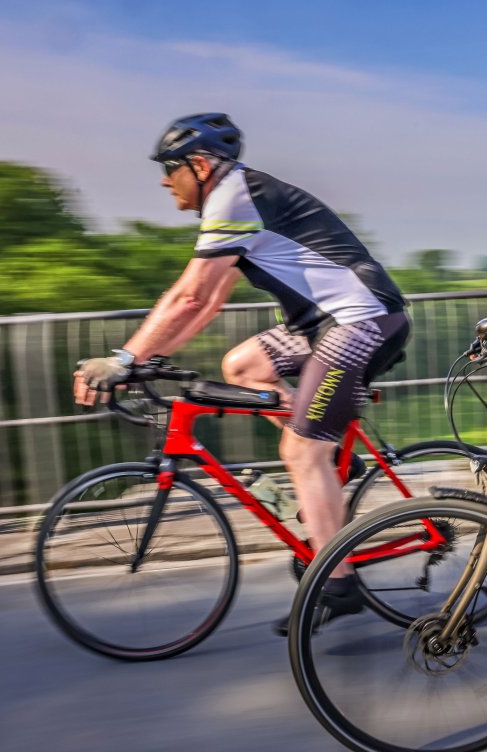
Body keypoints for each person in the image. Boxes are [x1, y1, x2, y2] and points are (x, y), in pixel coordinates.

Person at [74, 113, 410, 635]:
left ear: (201, 164)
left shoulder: (233, 196)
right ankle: (333, 455)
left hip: (360, 319)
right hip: (321, 325)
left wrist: (124, 360)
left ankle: (339, 583)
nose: (165, 180)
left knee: (300, 451)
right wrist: (145, 357)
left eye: (170, 168)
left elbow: (191, 297)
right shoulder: (234, 197)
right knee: (243, 365)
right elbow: (206, 302)